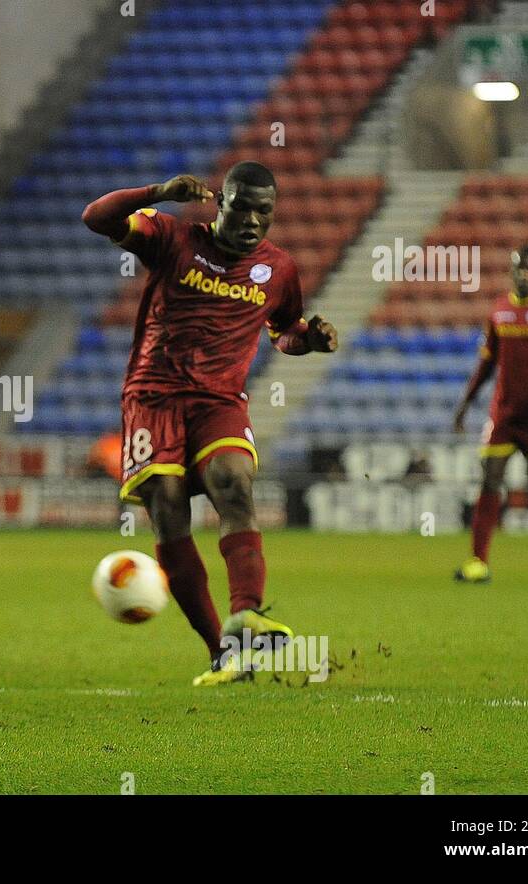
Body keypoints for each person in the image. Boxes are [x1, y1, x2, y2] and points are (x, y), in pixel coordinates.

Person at [82, 162, 338, 687]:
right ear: (220, 204)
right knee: (170, 513)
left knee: (234, 484)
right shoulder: (173, 237)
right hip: (153, 398)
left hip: (219, 401)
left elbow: (283, 331)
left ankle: (247, 611)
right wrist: (156, 192)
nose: (250, 221)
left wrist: (307, 341)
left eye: (262, 213)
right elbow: (96, 216)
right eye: (240, 207)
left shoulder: (279, 270)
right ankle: (220, 651)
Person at [452, 245, 528, 589]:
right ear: (511, 272)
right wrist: (465, 403)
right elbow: (486, 363)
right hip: (504, 412)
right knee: (490, 479)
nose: (524, 274)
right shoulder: (499, 310)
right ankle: (478, 562)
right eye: (518, 269)